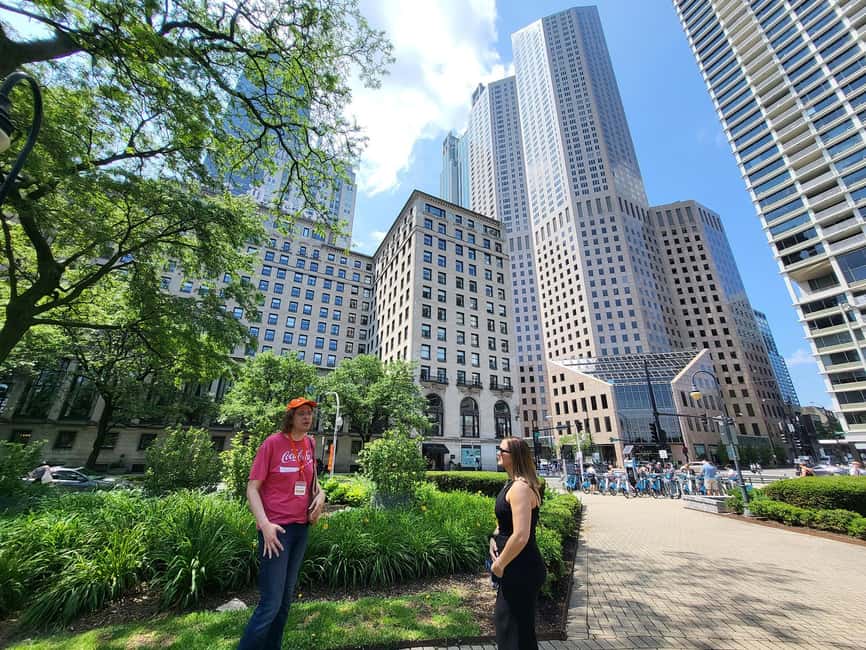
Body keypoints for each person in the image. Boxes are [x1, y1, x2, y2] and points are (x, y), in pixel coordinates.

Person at [238, 397, 326, 650]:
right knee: (271, 603)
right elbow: (252, 489)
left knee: (285, 600)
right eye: (302, 413)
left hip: (301, 529)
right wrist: (264, 525)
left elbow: (313, 482)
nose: (307, 417)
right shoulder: (272, 444)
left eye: (310, 413)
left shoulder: (309, 443)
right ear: (291, 417)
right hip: (276, 532)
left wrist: (321, 496)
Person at [488, 437, 546, 650]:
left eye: (500, 450)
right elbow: (504, 525)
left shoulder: (521, 488)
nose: (497, 453)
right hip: (513, 568)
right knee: (511, 630)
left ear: (514, 456)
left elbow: (521, 535)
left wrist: (499, 564)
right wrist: (493, 540)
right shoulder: (511, 484)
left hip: (521, 568)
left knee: (514, 635)